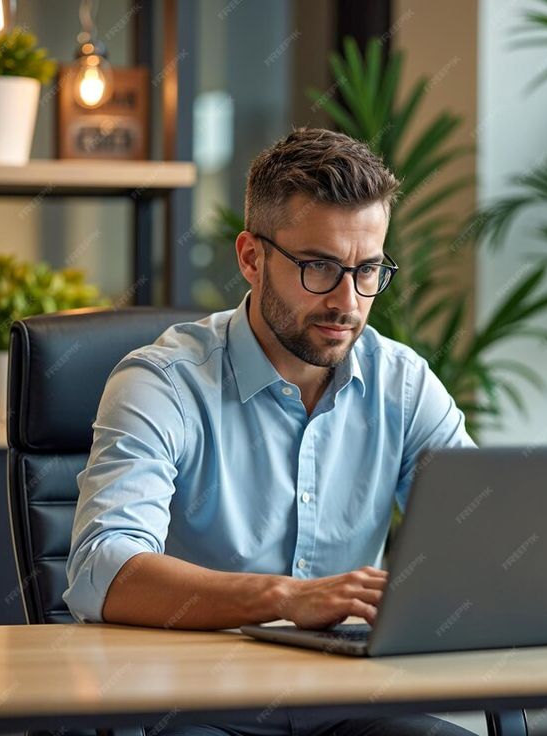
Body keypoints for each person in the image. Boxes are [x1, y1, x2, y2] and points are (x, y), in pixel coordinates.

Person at [64, 127, 477, 736]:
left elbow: (476, 536)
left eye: (368, 270)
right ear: (251, 259)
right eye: (319, 267)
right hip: (200, 707)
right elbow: (103, 569)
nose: (349, 301)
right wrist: (285, 599)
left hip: (350, 706)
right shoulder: (163, 383)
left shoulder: (404, 384)